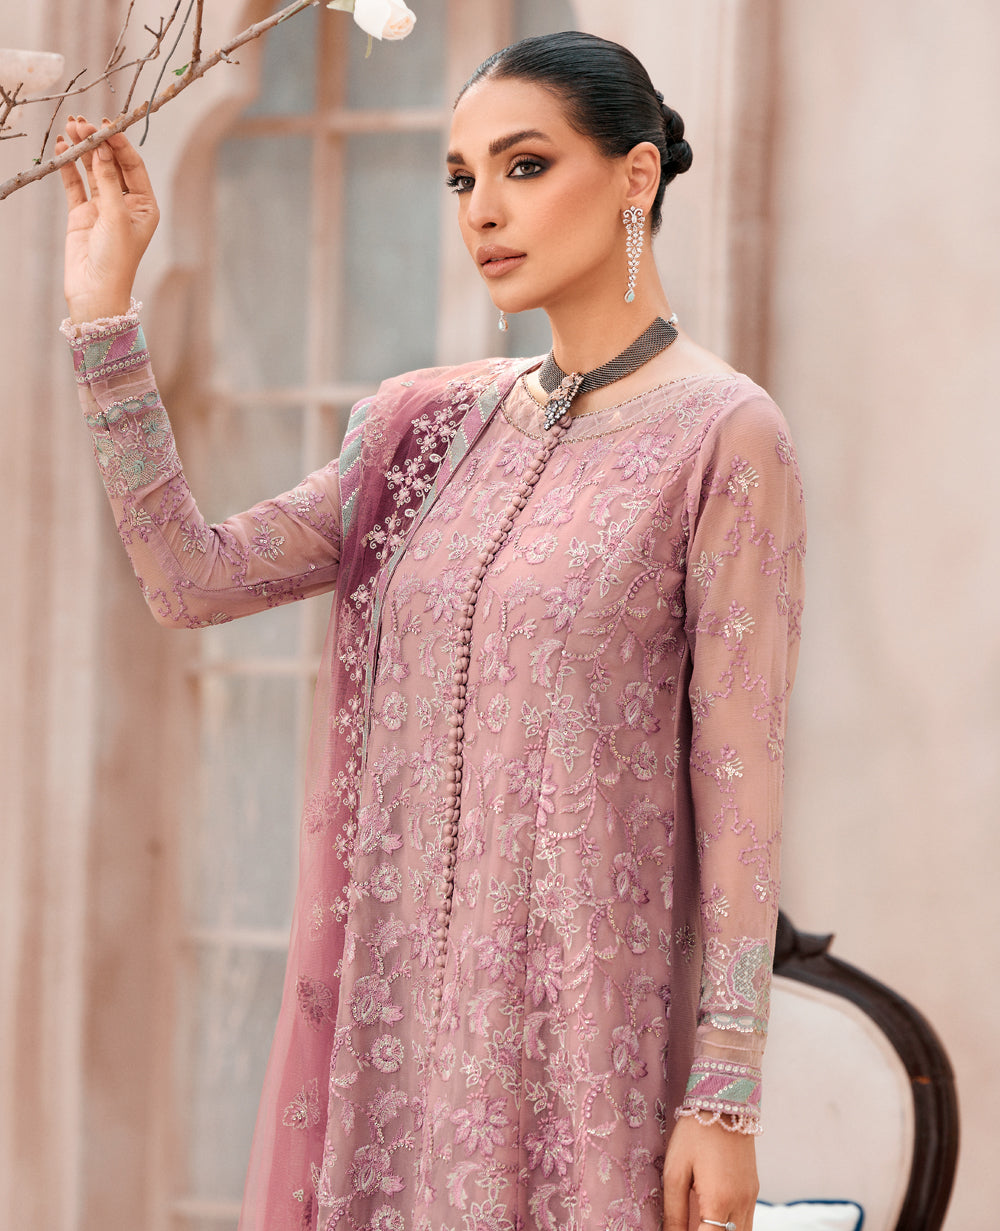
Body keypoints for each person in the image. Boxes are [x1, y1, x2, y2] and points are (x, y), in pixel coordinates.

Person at [56, 30, 805, 1231]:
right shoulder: (421, 427)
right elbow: (191, 580)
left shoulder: (724, 436)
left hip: (580, 1038)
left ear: (635, 175)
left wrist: (722, 1097)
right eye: (462, 178)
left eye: (524, 165)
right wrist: (105, 319)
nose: (482, 210)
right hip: (394, 1026)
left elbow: (741, 782)